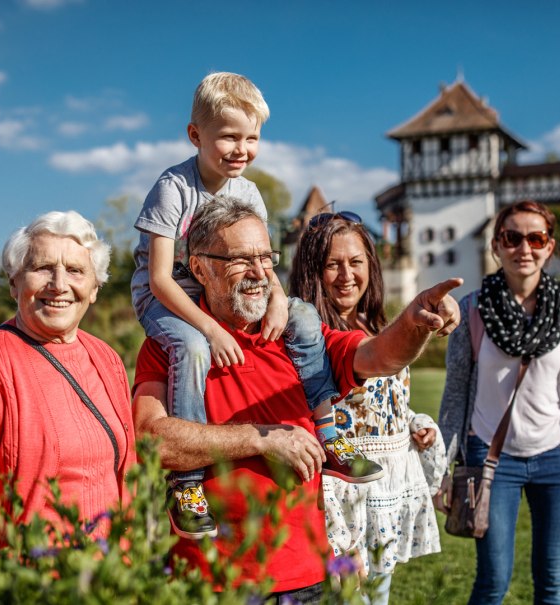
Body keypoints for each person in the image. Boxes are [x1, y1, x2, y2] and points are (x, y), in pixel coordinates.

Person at [133, 195, 462, 603]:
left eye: (265, 257)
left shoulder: (298, 336)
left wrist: (414, 323)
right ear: (200, 267)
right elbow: (151, 441)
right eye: (240, 260)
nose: (259, 273)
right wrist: (261, 438)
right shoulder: (172, 345)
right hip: (210, 581)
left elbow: (379, 356)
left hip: (306, 577)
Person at [131, 72, 379, 539]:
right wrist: (211, 329)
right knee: (192, 347)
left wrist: (279, 300)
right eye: (229, 137)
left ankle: (328, 432)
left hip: (215, 290)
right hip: (166, 298)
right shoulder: (174, 188)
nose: (241, 149)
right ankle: (187, 482)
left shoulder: (247, 191)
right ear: (195, 135)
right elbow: (160, 279)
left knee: (303, 315)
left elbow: (261, 261)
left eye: (252, 138)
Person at [437, 200, 560, 605]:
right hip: (489, 457)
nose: (524, 248)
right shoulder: (472, 309)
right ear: (496, 246)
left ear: (549, 247)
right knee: (493, 582)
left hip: (555, 455)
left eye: (536, 238)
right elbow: (455, 392)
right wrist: (441, 468)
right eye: (512, 237)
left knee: (552, 584)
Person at [0, 210, 135, 545]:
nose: (59, 285)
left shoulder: (107, 360)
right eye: (42, 268)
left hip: (110, 571)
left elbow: (127, 481)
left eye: (75, 270)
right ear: (14, 282)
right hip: (27, 570)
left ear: (95, 288)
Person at [289, 211, 445, 605]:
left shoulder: (373, 324)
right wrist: (341, 541)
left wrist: (413, 423)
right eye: (333, 264)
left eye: (356, 262)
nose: (347, 275)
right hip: (342, 508)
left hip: (383, 501)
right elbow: (308, 426)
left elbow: (380, 404)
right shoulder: (306, 337)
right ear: (312, 271)